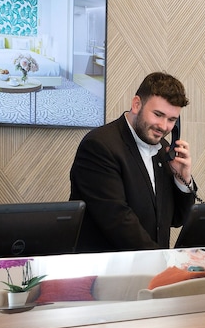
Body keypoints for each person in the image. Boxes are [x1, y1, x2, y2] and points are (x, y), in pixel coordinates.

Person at [70, 72, 197, 252]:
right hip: (109, 266)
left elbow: (177, 219)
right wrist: (161, 261)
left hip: (151, 265)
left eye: (171, 120)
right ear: (137, 104)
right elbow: (118, 221)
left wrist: (182, 179)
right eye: (158, 114)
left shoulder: (164, 149)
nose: (163, 126)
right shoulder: (99, 145)